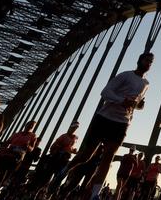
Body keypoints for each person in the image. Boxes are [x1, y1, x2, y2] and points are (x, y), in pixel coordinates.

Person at [61, 52, 153, 199]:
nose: (148, 63)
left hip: (123, 122)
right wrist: (121, 100)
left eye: (151, 62)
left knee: (108, 157)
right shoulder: (125, 75)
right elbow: (105, 92)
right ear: (139, 60)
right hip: (105, 117)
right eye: (146, 60)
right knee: (86, 155)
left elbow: (137, 103)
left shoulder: (146, 84)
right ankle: (65, 169)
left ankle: (95, 194)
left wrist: (140, 105)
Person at [30, 121, 80, 195]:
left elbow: (70, 148)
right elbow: (55, 145)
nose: (74, 129)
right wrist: (62, 148)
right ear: (70, 127)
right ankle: (39, 191)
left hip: (64, 159)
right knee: (49, 175)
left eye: (76, 127)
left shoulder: (75, 138)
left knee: (58, 176)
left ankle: (48, 192)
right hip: (57, 157)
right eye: (73, 127)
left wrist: (73, 151)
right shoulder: (63, 136)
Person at [0, 120, 38, 190]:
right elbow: (8, 142)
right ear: (25, 125)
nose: (30, 126)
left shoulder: (33, 136)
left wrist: (28, 146)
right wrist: (3, 144)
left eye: (32, 126)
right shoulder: (16, 134)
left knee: (3, 172)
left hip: (18, 155)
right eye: (29, 124)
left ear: (33, 128)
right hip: (9, 152)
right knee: (0, 169)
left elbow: (32, 149)